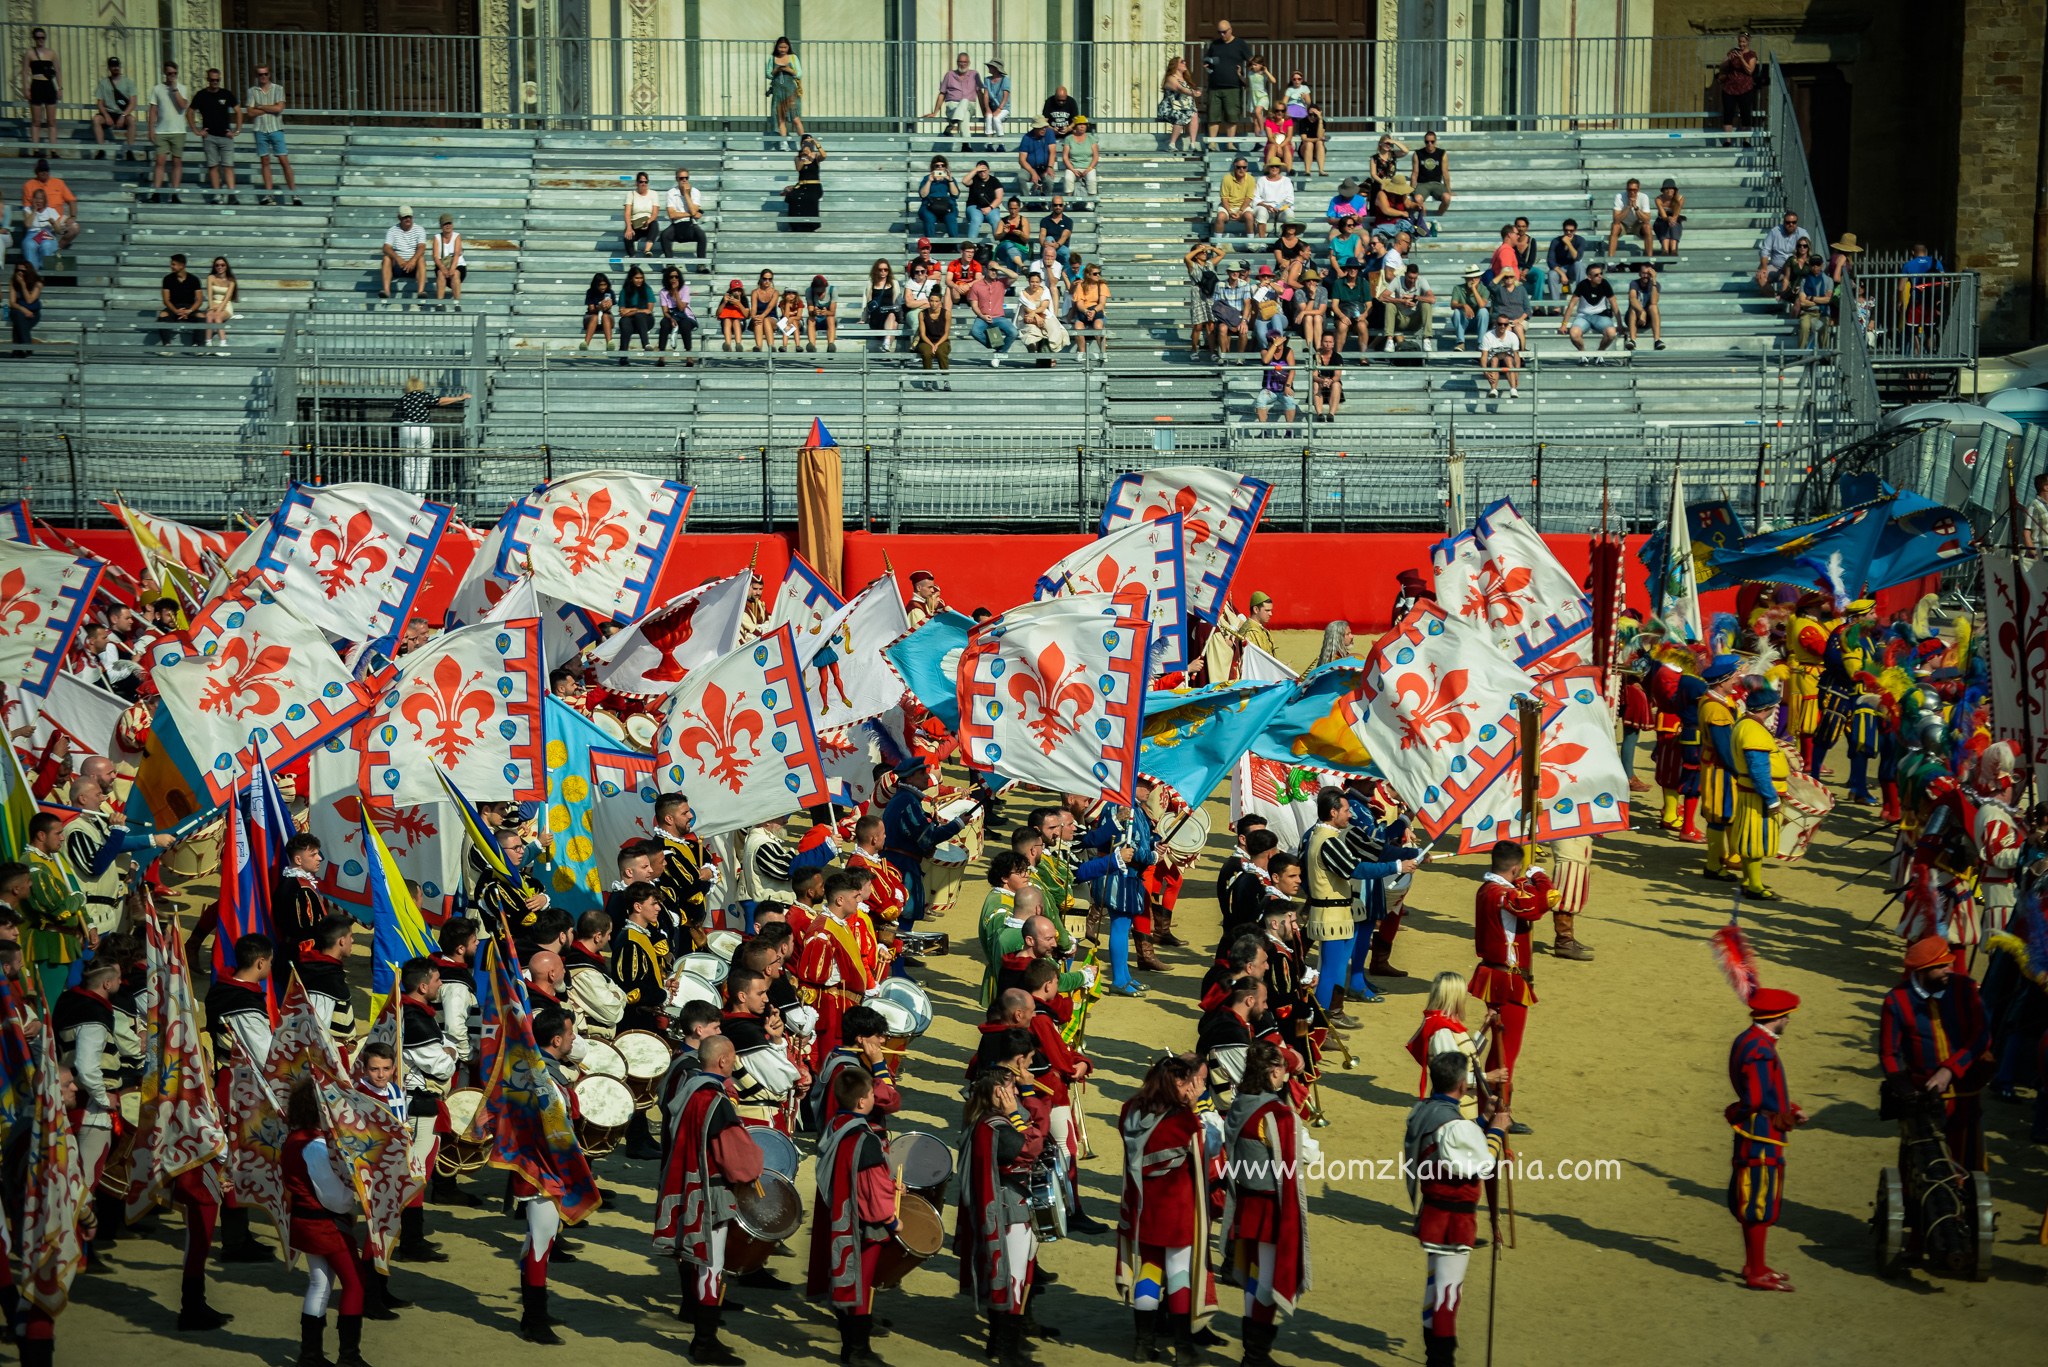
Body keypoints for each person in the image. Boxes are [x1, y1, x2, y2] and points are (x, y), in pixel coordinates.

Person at [656, 1034, 766, 1364]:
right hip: (710, 1192)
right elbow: (739, 1160)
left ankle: (700, 1331)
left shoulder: (688, 1090)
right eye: (732, 1059)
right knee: (711, 1268)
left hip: (689, 1185)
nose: (734, 1064)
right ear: (722, 1061)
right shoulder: (715, 1100)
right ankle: (704, 1342)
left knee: (699, 1262)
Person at [1403, 1052, 1510, 1366]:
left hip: (1434, 1213)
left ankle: (1432, 1359)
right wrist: (1497, 1130)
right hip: (1453, 1220)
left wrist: (1479, 1122)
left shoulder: (1424, 1110)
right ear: (1463, 1085)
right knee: (1447, 1296)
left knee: (1436, 1289)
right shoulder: (1453, 1126)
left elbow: (1451, 1144)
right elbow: (1482, 1164)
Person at [1114, 1053, 1218, 1364]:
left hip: (1144, 1205)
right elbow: (1212, 1146)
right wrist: (1200, 1106)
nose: (1193, 1086)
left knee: (1148, 1270)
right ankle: (1183, 1349)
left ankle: (1143, 1344)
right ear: (1176, 1083)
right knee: (1179, 1274)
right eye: (1187, 1081)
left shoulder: (1130, 1109)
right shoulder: (1185, 1120)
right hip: (1178, 1208)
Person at [1220, 1039, 1310, 1362]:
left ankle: (1252, 1353)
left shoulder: (1239, 1104)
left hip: (1245, 1202)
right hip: (1271, 1207)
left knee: (1254, 1276)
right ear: (1273, 1072)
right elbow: (1306, 1155)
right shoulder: (1277, 1115)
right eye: (1283, 1070)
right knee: (1269, 1280)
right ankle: (1256, 1355)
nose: (1286, 1076)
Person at [280, 1076, 377, 1367]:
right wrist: (357, 1198)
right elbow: (334, 1199)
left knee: (319, 1283)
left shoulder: (294, 1141)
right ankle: (349, 1356)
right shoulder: (315, 1147)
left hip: (305, 1222)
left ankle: (310, 1356)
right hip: (325, 1225)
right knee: (355, 1283)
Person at [956, 1064, 1047, 1367]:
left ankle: (996, 1343)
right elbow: (1032, 1146)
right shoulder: (998, 1126)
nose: (1017, 1093)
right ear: (999, 1092)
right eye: (1012, 1088)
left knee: (1004, 1279)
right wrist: (1017, 1115)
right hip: (1008, 1210)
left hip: (999, 1208)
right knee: (1012, 1281)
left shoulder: (981, 1120)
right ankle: (1008, 1351)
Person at [808, 1067, 900, 1366]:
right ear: (862, 1102)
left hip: (840, 1213)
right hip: (863, 1223)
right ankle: (856, 1350)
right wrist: (891, 1219)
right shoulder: (865, 1138)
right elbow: (872, 1190)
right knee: (861, 1286)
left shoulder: (837, 1124)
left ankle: (855, 1347)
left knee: (850, 1282)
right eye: (873, 1094)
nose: (876, 1098)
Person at [1880, 936, 1991, 1174]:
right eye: (1941, 967)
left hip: (1964, 1094)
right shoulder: (1896, 1000)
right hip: (1922, 1100)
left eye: (1949, 964)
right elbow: (1889, 1053)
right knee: (1922, 1168)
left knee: (1968, 1165)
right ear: (1922, 970)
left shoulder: (1966, 988)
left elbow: (1981, 1035)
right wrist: (1903, 1088)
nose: (1949, 970)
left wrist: (1949, 1069)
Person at [1728, 986, 1806, 1292]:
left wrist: (1790, 1108)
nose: (1788, 1021)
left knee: (1755, 1199)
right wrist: (1742, 1112)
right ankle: (1755, 1270)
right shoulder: (1760, 1049)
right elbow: (1757, 1098)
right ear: (1777, 1017)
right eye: (1787, 1016)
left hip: (1758, 1130)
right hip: (1762, 1135)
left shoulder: (1748, 1040)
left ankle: (1755, 1264)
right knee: (1759, 1203)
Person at [1469, 840, 1547, 1128]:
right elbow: (1543, 903)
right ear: (1515, 868)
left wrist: (1525, 880)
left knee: (1501, 1048)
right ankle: (1498, 1113)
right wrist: (1539, 877)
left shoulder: (1487, 890)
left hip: (1497, 976)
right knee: (1506, 1052)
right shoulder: (1505, 894)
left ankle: (1493, 1109)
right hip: (1508, 981)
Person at [1731, 686, 1788, 900]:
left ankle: (1749, 880)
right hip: (1758, 795)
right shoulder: (1753, 731)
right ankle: (1754, 886)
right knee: (1756, 840)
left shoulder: (1746, 724)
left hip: (1751, 792)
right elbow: (1758, 769)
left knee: (1749, 838)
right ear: (1767, 707)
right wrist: (1771, 799)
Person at [393, 375, 468, 495]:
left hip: (406, 427)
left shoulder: (403, 399)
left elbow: (396, 415)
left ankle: (408, 493)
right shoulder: (423, 396)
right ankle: (420, 494)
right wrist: (460, 398)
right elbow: (440, 401)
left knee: (408, 462)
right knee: (423, 462)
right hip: (423, 427)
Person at [244, 63, 298, 205]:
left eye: (265, 74)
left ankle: (294, 194)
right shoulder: (252, 91)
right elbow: (250, 112)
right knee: (265, 161)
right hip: (260, 129)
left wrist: (260, 106)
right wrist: (270, 108)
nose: (263, 77)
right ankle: (269, 195)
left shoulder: (278, 89)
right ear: (257, 76)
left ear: (269, 74)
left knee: (283, 160)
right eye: (260, 74)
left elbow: (279, 108)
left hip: (275, 128)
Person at [190, 68, 240, 204]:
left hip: (226, 136)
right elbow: (190, 111)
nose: (215, 82)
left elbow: (238, 111)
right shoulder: (201, 95)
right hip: (209, 136)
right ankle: (217, 195)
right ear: (208, 80)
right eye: (212, 80)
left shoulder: (226, 94)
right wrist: (196, 130)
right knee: (213, 166)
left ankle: (231, 195)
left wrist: (237, 130)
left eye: (217, 80)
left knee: (228, 166)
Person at [145, 61, 191, 203]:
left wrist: (174, 89)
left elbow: (183, 105)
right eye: (169, 73)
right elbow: (153, 110)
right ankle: (156, 192)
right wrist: (151, 129)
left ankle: (175, 193)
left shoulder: (182, 88)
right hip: (161, 130)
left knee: (177, 162)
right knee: (160, 162)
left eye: (174, 73)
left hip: (178, 130)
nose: (172, 76)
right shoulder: (157, 89)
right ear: (165, 74)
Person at [1203, 18, 1251, 146]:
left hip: (1233, 86)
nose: (1222, 35)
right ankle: (1212, 143)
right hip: (1215, 86)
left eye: (1224, 32)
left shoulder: (1240, 44)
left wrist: (1245, 77)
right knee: (1213, 116)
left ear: (1230, 30)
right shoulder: (1215, 44)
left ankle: (1230, 143)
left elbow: (1252, 61)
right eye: (1219, 32)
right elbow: (1207, 60)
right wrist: (1207, 66)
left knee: (1232, 116)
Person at [1559, 262, 1619, 361]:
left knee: (1611, 333)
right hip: (1583, 316)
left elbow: (1614, 304)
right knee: (1574, 334)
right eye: (1596, 275)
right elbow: (1571, 305)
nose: (1600, 276)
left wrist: (1620, 325)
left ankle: (1599, 353)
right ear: (1589, 277)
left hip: (1601, 316)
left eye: (1601, 274)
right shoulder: (1582, 285)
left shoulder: (1605, 283)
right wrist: (1564, 324)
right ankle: (1584, 353)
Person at [1379, 261, 1436, 351]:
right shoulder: (1397, 280)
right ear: (1405, 274)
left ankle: (1426, 339)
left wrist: (1414, 297)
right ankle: (1389, 340)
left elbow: (1432, 299)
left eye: (1415, 278)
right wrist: (1401, 301)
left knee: (1427, 304)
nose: (1412, 281)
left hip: (1415, 319)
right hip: (1400, 319)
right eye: (1410, 278)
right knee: (1390, 305)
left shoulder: (1421, 280)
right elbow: (1382, 297)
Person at [928, 52, 983, 147]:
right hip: (952, 106)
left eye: (965, 62)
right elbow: (942, 93)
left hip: (970, 105)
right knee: (964, 115)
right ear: (957, 62)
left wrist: (985, 111)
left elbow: (980, 94)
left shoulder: (975, 74)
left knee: (965, 100)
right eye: (960, 62)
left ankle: (952, 123)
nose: (963, 64)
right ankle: (966, 145)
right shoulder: (949, 75)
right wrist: (935, 112)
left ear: (969, 63)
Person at [22, 27, 61, 156]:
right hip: (36, 85)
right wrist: (26, 88)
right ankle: (36, 149)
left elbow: (58, 71)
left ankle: (54, 150)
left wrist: (60, 88)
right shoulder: (29, 53)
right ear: (34, 38)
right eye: (38, 37)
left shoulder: (52, 53)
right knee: (36, 121)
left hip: (49, 86)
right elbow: (25, 72)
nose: (40, 40)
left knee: (51, 121)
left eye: (42, 37)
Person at [966, 268, 1016, 366]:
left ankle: (999, 353)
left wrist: (999, 267)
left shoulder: (1001, 283)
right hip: (982, 317)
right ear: (986, 271)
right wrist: (982, 316)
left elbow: (1015, 276)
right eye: (991, 270)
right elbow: (974, 306)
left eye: (995, 270)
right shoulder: (976, 285)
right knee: (975, 332)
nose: (994, 272)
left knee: (1013, 332)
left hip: (999, 317)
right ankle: (999, 348)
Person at [155, 253, 204, 351]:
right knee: (163, 315)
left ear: (182, 265)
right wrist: (176, 311)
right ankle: (166, 346)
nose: (171, 266)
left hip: (189, 307)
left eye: (174, 264)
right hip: (173, 307)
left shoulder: (194, 279)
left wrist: (189, 311)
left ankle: (197, 345)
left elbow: (199, 300)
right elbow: (166, 300)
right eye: (171, 264)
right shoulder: (167, 279)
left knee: (202, 316)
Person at [1016, 266, 1068, 358]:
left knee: (1054, 328)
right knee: (1031, 331)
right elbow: (1027, 308)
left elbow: (1044, 306)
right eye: (1032, 282)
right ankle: (1034, 350)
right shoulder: (1023, 293)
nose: (1034, 284)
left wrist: (1034, 313)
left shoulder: (1045, 290)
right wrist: (1036, 316)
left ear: (1040, 282)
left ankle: (1052, 353)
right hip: (1028, 316)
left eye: (1037, 282)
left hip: (1044, 314)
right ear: (1029, 282)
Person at [92, 57, 138, 160]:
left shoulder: (128, 82)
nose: (116, 68)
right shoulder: (103, 83)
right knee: (96, 119)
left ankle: (130, 150)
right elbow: (100, 103)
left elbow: (133, 103)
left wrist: (123, 115)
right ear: (109, 68)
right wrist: (106, 115)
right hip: (109, 112)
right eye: (113, 66)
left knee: (132, 120)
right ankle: (101, 149)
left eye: (117, 65)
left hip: (123, 113)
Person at [380, 205, 428, 300]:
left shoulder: (419, 229)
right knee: (386, 258)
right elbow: (386, 248)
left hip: (414, 267)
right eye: (405, 217)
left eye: (409, 216)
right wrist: (398, 259)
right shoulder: (392, 230)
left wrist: (413, 261)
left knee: (421, 259)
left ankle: (420, 292)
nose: (408, 219)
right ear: (399, 218)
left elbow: (422, 247)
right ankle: (386, 291)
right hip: (398, 266)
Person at [1754, 211, 1809, 292]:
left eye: (1794, 222)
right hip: (1776, 267)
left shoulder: (1803, 233)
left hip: (1794, 268)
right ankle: (1774, 301)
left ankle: (1791, 298)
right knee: (1760, 277)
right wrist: (1764, 268)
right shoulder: (1775, 232)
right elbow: (1765, 250)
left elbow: (1807, 251)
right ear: (1784, 222)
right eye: (1788, 222)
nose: (1791, 224)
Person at [1716, 31, 1760, 132]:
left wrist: (1741, 58)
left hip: (1745, 88)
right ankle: (1728, 141)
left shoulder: (1751, 55)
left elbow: (1750, 71)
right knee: (1728, 114)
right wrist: (1728, 59)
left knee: (1745, 115)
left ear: (1748, 42)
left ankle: (1746, 141)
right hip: (1729, 88)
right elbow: (1721, 66)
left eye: (1744, 42)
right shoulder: (1733, 51)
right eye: (1740, 42)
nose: (1741, 44)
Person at [662, 166, 707, 260]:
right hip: (676, 223)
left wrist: (686, 194)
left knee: (702, 236)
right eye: (681, 178)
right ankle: (669, 263)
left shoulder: (695, 192)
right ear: (677, 179)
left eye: (686, 178)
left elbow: (694, 211)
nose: (684, 180)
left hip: (691, 223)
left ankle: (701, 264)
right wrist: (691, 214)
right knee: (664, 235)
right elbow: (672, 214)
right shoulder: (671, 192)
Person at [766, 36, 803, 148]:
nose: (782, 50)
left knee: (795, 118)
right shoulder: (772, 58)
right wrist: (776, 69)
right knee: (780, 118)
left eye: (785, 47)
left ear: (788, 47)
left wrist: (788, 70)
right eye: (780, 47)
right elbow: (768, 74)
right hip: (778, 92)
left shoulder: (793, 58)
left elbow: (799, 73)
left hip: (790, 92)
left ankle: (804, 142)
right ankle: (783, 142)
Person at [1158, 57, 1201, 152]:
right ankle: (1172, 144)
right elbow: (1180, 89)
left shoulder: (1185, 79)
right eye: (1182, 62)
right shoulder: (1171, 78)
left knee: (1194, 114)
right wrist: (1193, 93)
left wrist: (1195, 92)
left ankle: (1192, 144)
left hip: (1183, 107)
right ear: (1175, 65)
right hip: (1169, 107)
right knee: (1181, 116)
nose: (1185, 63)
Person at [784, 135, 825, 233]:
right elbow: (799, 168)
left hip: (814, 186)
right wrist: (803, 156)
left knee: (809, 198)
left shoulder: (815, 157)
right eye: (805, 142)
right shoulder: (798, 157)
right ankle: (795, 225)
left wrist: (816, 143)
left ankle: (810, 225)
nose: (807, 145)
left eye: (809, 142)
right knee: (793, 197)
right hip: (802, 185)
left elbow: (824, 156)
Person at [859, 258, 901, 353]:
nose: (883, 272)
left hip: (890, 312)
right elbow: (866, 301)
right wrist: (863, 318)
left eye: (885, 270)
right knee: (894, 324)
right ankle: (887, 347)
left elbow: (897, 300)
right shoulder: (871, 283)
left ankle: (886, 344)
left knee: (892, 317)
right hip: (877, 314)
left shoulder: (894, 283)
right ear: (876, 270)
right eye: (880, 269)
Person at [19, 189, 67, 273]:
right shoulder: (28, 210)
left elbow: (59, 231)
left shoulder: (51, 211)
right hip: (32, 234)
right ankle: (32, 271)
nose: (38, 201)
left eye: (41, 198)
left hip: (46, 233)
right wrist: (34, 210)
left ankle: (45, 271)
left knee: (46, 244)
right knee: (29, 244)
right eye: (36, 198)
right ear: (33, 199)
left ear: (44, 200)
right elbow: (27, 225)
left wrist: (53, 223)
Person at [1791, 255, 1833, 349]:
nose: (1815, 267)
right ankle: (1801, 354)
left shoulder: (1828, 280)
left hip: (1822, 312)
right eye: (1813, 265)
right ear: (1809, 266)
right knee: (1804, 326)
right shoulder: (1804, 280)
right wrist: (1820, 300)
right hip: (1807, 312)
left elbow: (1828, 299)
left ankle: (1824, 355)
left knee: (1824, 326)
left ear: (1822, 265)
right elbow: (1802, 302)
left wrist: (1811, 298)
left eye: (1817, 265)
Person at [1069, 261, 1108, 359]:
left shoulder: (1102, 285)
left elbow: (1102, 303)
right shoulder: (1081, 286)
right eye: (1095, 274)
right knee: (1078, 327)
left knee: (1098, 326)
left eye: (1099, 273)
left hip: (1097, 311)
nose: (1098, 275)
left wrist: (1093, 311)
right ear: (1088, 274)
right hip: (1084, 312)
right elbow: (1079, 303)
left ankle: (1103, 352)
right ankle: (1082, 352)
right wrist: (1086, 311)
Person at [917, 154, 961, 241]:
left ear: (946, 167)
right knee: (929, 219)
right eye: (937, 166)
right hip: (929, 206)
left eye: (942, 165)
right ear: (933, 167)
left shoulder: (949, 179)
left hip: (946, 206)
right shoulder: (927, 178)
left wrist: (950, 180)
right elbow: (923, 195)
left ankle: (954, 245)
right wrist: (930, 181)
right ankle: (930, 245)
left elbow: (955, 195)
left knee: (951, 219)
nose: (940, 168)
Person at [617, 264, 657, 360]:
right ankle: (623, 354)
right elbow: (622, 313)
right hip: (630, 321)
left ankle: (646, 344)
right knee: (624, 321)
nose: (640, 280)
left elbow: (648, 310)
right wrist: (636, 311)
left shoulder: (647, 289)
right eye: (637, 278)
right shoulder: (625, 291)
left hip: (646, 321)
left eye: (641, 278)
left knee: (639, 316)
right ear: (631, 279)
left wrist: (631, 309)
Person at [1606, 177, 1654, 256]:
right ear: (1626, 189)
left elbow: (1647, 219)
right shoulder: (1619, 197)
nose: (1632, 192)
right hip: (1623, 225)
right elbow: (1616, 219)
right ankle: (1610, 260)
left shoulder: (1643, 197)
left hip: (1637, 224)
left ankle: (1649, 259)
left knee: (1647, 227)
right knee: (1615, 227)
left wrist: (1636, 208)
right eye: (1630, 190)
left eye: (1634, 190)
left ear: (1638, 190)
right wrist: (1628, 207)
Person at [1256, 338, 1298, 426]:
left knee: (1290, 401)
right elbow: (1266, 360)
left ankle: (1289, 430)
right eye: (1278, 344)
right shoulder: (1265, 351)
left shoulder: (1288, 351)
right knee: (1260, 400)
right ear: (1270, 344)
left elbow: (1292, 370)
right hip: (1269, 389)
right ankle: (1264, 430)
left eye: (1281, 344)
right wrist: (1275, 345)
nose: (1280, 347)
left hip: (1285, 387)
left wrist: (1288, 385)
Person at [1447, 267, 1489, 351]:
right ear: (1466, 279)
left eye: (1475, 277)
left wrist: (1473, 289)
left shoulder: (1484, 289)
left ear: (1479, 278)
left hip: (1477, 323)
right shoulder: (1458, 288)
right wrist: (1464, 305)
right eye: (1470, 277)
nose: (1473, 280)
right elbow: (1453, 305)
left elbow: (1482, 305)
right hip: (1464, 322)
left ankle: (1480, 343)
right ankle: (1460, 343)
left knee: (1483, 311)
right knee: (1456, 312)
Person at [1213, 157, 1258, 236]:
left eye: (1244, 167)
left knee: (1249, 217)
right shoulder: (1226, 178)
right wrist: (1230, 212)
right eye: (1238, 167)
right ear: (1234, 167)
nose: (1242, 169)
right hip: (1228, 207)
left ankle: (1251, 242)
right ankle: (1217, 243)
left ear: (1247, 168)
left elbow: (1248, 198)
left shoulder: (1251, 179)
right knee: (1220, 217)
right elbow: (1224, 198)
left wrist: (1240, 211)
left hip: (1243, 207)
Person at [913, 293, 951, 387]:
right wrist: (932, 344)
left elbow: (946, 334)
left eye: (936, 301)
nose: (934, 303)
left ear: (940, 302)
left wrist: (937, 345)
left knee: (941, 353)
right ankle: (928, 380)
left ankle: (945, 380)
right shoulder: (922, 314)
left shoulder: (946, 313)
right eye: (931, 301)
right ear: (929, 301)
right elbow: (922, 334)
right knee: (926, 353)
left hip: (942, 340)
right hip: (926, 340)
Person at [962, 159, 1005, 240]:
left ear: (988, 170)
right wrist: (975, 170)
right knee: (976, 219)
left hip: (991, 207)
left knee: (996, 219)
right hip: (974, 207)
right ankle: (971, 245)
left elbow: (999, 198)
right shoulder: (974, 179)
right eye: (980, 171)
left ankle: (999, 244)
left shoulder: (994, 181)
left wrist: (990, 208)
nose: (982, 173)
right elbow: (964, 181)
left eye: (984, 170)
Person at [1016, 118, 1058, 199]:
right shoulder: (1027, 138)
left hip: (1045, 167)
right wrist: (1033, 172)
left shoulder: (1049, 133)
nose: (1044, 129)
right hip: (1030, 167)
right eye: (1041, 127)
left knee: (1049, 181)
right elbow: (1022, 160)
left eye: (1045, 127)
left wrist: (1050, 167)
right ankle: (1026, 200)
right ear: (1035, 128)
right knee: (1021, 177)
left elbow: (1053, 152)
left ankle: (1046, 201)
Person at [1061, 116, 1100, 203]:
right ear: (1075, 126)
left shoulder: (1091, 139)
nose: (1082, 126)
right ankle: (1068, 201)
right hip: (1073, 167)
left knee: (1092, 179)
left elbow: (1096, 156)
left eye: (1084, 125)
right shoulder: (1069, 139)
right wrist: (1072, 169)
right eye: (1080, 124)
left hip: (1088, 167)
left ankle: (1091, 202)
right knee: (1068, 178)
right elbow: (1065, 157)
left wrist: (1089, 168)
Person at [1412, 130, 1451, 216]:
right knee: (1417, 199)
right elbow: (1415, 173)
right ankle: (1425, 220)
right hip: (1422, 184)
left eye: (1432, 141)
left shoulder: (1442, 153)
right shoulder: (1418, 153)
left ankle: (1437, 216)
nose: (1430, 144)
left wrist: (1449, 190)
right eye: (1427, 142)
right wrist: (1412, 189)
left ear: (1435, 142)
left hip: (1437, 183)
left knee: (1447, 198)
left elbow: (1445, 173)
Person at [1626, 262, 1663, 351]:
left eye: (1648, 274)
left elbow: (1654, 302)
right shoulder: (1634, 283)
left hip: (1648, 319)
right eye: (1643, 273)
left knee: (1653, 307)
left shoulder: (1656, 284)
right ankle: (1633, 340)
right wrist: (1642, 312)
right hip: (1633, 317)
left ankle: (1657, 340)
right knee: (1633, 309)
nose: (1645, 276)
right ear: (1639, 273)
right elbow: (1632, 299)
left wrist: (1653, 280)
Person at [1545, 219, 1584, 300]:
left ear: (1575, 230)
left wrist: (1568, 243)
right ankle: (1556, 306)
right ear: (1563, 230)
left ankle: (1581, 296)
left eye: (1571, 230)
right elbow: (1550, 261)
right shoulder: (1556, 241)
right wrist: (1562, 274)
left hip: (1572, 269)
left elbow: (1577, 257)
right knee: (1551, 274)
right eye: (1566, 230)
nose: (1568, 233)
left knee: (1579, 265)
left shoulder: (1580, 240)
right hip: (1559, 269)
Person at [623, 170, 661, 256]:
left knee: (654, 224)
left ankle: (647, 250)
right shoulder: (631, 194)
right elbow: (627, 213)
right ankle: (633, 258)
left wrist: (648, 222)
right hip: (635, 223)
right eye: (641, 182)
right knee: (627, 236)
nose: (643, 184)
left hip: (648, 222)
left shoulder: (653, 194)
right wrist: (629, 227)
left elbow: (655, 213)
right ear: (637, 183)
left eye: (645, 182)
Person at [430, 213, 465, 305]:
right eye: (445, 224)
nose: (448, 225)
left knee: (456, 274)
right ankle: (440, 303)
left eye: (449, 223)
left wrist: (452, 268)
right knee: (440, 273)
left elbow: (457, 254)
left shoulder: (457, 236)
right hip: (443, 265)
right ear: (441, 226)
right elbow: (435, 257)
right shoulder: (437, 238)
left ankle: (457, 303)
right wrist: (443, 268)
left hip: (458, 265)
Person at [1251, 162, 1295, 233]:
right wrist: (1266, 206)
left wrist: (1279, 207)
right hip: (1265, 207)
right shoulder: (1262, 180)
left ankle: (1288, 240)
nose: (1274, 168)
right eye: (1272, 166)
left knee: (1289, 214)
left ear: (1280, 169)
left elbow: (1290, 200)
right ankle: (1262, 241)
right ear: (1268, 168)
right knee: (1261, 212)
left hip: (1281, 208)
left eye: (1277, 166)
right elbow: (1256, 198)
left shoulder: (1286, 180)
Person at [8, 262, 42, 352]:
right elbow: (12, 302)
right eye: (17, 270)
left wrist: (23, 285)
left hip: (33, 313)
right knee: (17, 315)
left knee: (18, 324)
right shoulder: (13, 281)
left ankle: (17, 351)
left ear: (28, 271)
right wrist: (23, 309)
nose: (20, 273)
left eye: (22, 270)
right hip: (18, 310)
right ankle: (27, 348)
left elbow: (29, 301)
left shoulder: (37, 283)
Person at [1310, 331, 1344, 421]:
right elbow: (1314, 375)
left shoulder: (1337, 357)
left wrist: (1330, 381)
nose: (1328, 344)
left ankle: (1331, 414)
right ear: (1321, 342)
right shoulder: (1315, 357)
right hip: (1320, 383)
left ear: (1333, 344)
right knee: (1315, 384)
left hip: (1332, 383)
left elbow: (1337, 375)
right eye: (1325, 342)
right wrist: (1322, 381)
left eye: (1330, 342)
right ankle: (1319, 414)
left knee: (1336, 384)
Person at [801, 273, 837, 353]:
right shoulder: (809, 291)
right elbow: (810, 310)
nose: (819, 294)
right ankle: (812, 345)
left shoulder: (832, 290)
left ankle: (831, 344)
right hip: (816, 319)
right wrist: (814, 312)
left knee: (830, 318)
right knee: (811, 319)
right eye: (817, 292)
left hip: (828, 319)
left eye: (821, 292)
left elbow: (832, 312)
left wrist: (826, 312)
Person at [580, 270, 616, 350]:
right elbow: (591, 309)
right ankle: (586, 344)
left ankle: (609, 343)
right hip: (591, 318)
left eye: (604, 284)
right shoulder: (590, 292)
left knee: (606, 316)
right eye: (600, 285)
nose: (603, 287)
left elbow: (609, 309)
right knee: (595, 317)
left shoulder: (610, 292)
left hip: (606, 319)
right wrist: (599, 307)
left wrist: (608, 306)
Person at [981, 59, 1012, 146]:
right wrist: (987, 108)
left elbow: (1005, 96)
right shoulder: (987, 79)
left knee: (996, 118)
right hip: (992, 107)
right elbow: (986, 95)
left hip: (1004, 108)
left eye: (991, 66)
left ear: (996, 68)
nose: (989, 68)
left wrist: (999, 109)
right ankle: (989, 143)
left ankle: (1001, 143)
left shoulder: (1005, 80)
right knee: (988, 117)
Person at [1653, 178, 1684, 256]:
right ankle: (1665, 249)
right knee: (1664, 224)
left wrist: (1672, 219)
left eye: (1671, 188)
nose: (1669, 190)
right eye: (1666, 188)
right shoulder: (1658, 199)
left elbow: (1676, 213)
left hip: (1674, 218)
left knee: (1675, 223)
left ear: (1674, 190)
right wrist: (1668, 219)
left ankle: (1673, 249)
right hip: (1662, 219)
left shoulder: (1680, 198)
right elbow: (1663, 215)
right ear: (1663, 191)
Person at [714, 278, 747, 350]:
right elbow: (717, 313)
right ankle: (727, 344)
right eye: (735, 290)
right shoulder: (726, 298)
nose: (737, 293)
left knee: (736, 321)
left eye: (739, 290)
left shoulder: (743, 298)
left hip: (740, 323)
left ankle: (738, 344)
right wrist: (724, 303)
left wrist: (739, 303)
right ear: (731, 291)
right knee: (727, 320)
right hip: (726, 325)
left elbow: (747, 315)